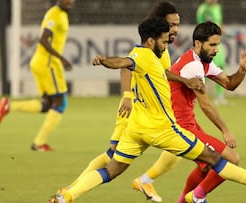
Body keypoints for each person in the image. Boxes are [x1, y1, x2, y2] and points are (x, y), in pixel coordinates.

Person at [48, 16, 246, 203]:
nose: (167, 45)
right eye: (165, 41)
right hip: (163, 128)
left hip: (137, 128)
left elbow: (162, 72)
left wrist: (187, 82)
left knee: (110, 170)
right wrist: (104, 61)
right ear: (151, 40)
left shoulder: (150, 56)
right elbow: (122, 63)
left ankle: (67, 196)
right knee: (214, 159)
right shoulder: (142, 57)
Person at [52, 2, 204, 203]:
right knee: (112, 156)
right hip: (132, 107)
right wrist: (127, 96)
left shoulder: (163, 50)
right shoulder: (147, 47)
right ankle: (70, 190)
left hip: (147, 113)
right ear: (159, 24)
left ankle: (72, 191)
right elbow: (126, 67)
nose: (175, 29)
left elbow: (162, 74)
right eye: (172, 24)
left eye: (177, 25)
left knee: (117, 158)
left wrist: (185, 82)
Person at [133, 20, 246, 203]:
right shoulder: (193, 65)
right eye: (212, 45)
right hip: (180, 126)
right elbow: (206, 104)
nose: (216, 49)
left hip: (188, 123)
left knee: (206, 167)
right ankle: (198, 196)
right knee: (231, 159)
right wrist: (225, 130)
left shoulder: (203, 62)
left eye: (218, 44)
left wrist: (241, 70)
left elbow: (229, 84)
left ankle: (186, 198)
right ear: (198, 44)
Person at [0, 0, 75, 151]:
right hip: (48, 64)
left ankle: (8, 106)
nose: (71, 0)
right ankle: (39, 143)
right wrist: (62, 58)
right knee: (60, 103)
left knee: (47, 105)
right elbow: (43, 39)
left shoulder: (61, 14)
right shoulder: (54, 14)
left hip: (42, 62)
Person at [196, 0, 227, 105]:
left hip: (217, 42)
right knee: (207, 70)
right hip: (208, 44)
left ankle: (220, 97)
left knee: (221, 67)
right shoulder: (204, 9)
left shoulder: (217, 7)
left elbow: (219, 25)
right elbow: (208, 29)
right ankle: (197, 94)